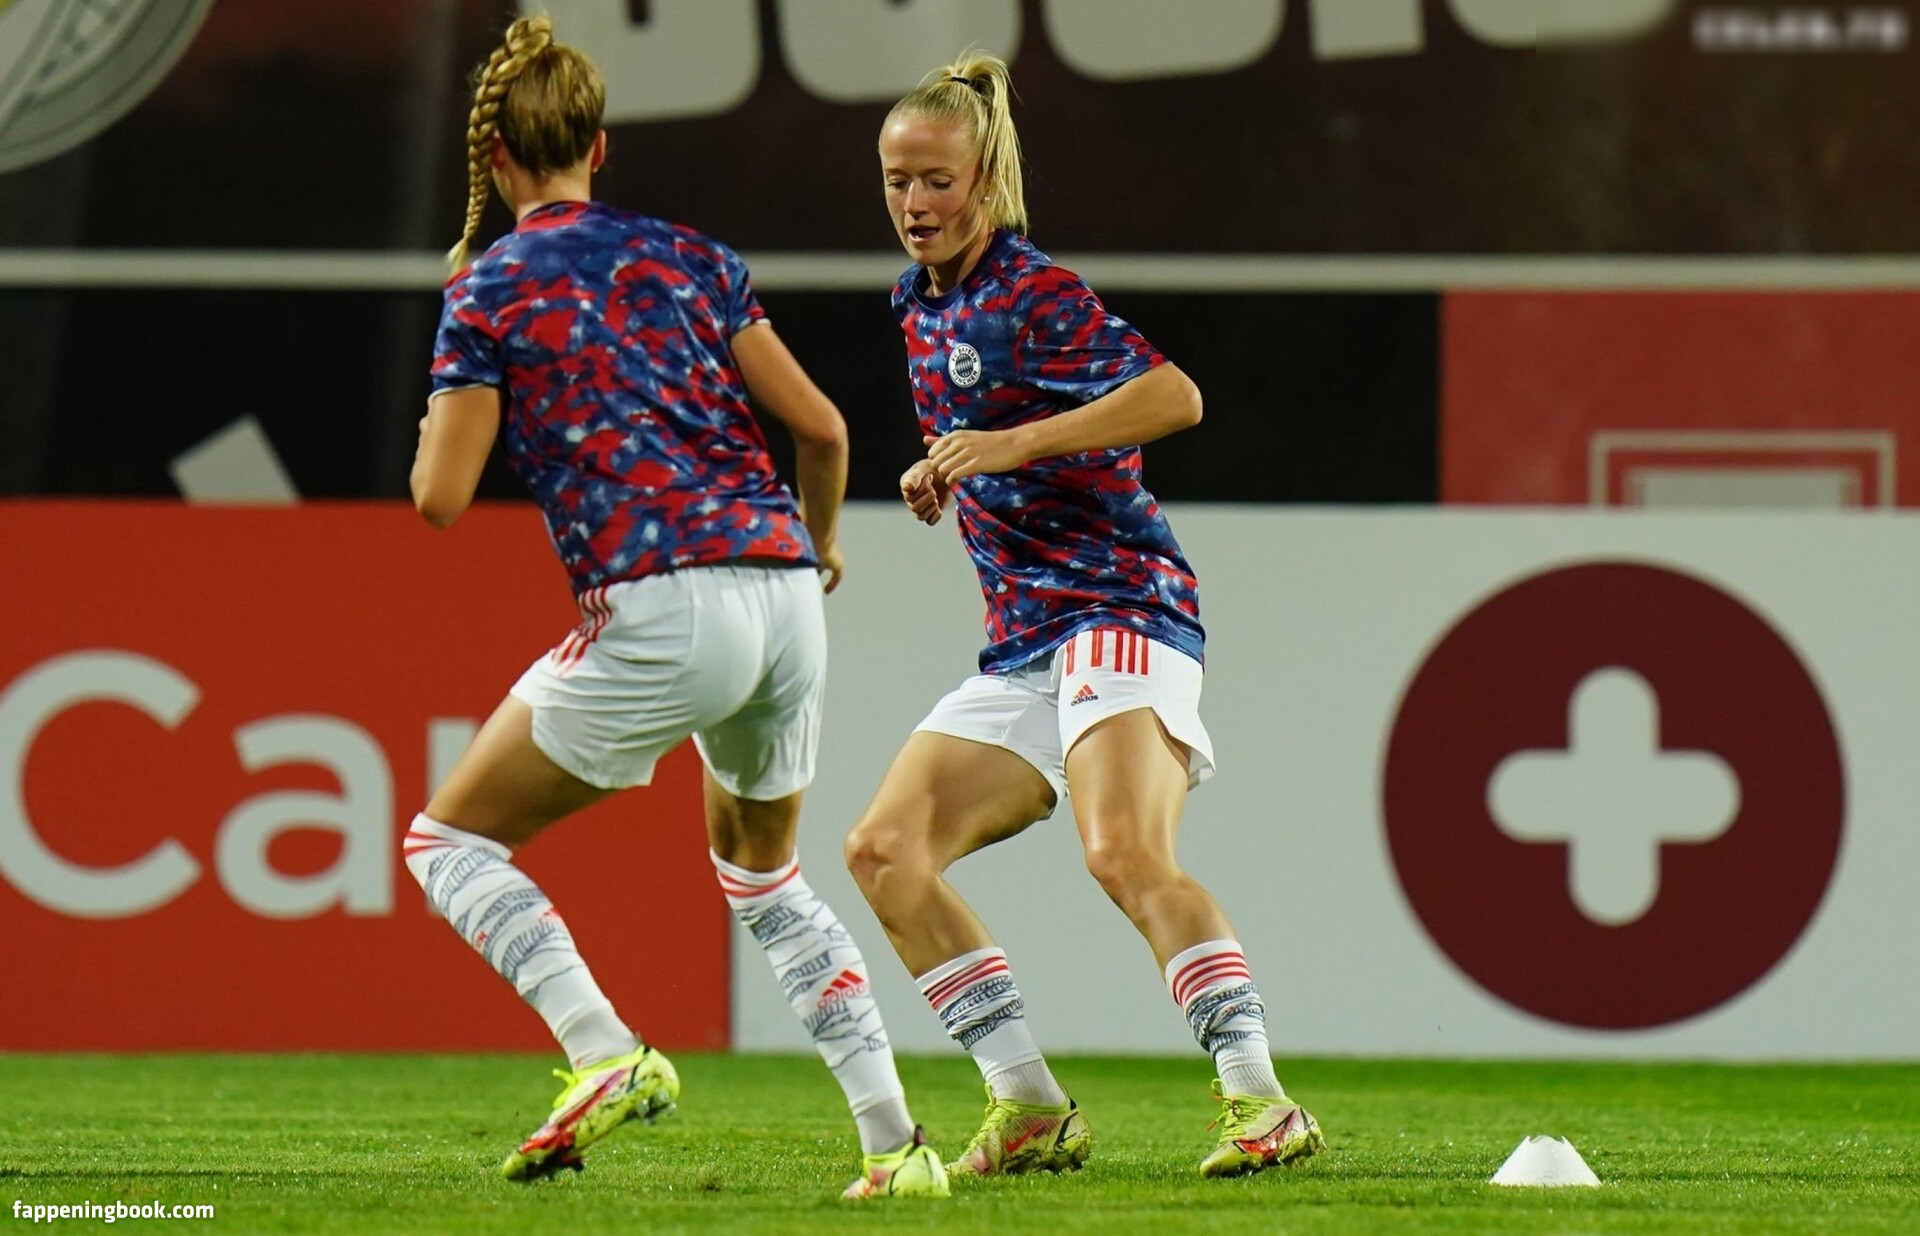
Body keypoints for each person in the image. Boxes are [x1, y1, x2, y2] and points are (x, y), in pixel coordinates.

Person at [406, 15, 946, 1200]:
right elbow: (823, 429)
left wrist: (455, 368)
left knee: (447, 844)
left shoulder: (488, 288)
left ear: (494, 158)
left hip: (662, 603)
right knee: (766, 879)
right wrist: (818, 547)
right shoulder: (695, 256)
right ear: (598, 148)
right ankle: (897, 1148)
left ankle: (602, 1049)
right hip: (786, 595)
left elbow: (440, 497)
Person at [844, 52, 1326, 1180]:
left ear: (986, 180)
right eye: (897, 181)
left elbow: (1174, 395)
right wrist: (942, 470)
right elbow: (985, 437)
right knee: (884, 852)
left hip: (1121, 608)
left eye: (938, 181)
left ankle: (1262, 1102)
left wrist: (1011, 443)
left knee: (1121, 852)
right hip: (1024, 646)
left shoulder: (1034, 292)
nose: (915, 203)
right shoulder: (918, 302)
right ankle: (1027, 1106)